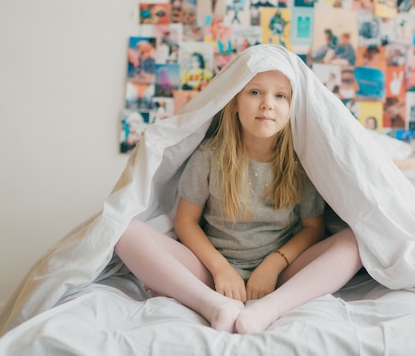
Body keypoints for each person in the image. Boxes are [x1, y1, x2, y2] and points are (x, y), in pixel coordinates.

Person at [114, 68, 362, 334]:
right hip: (211, 272)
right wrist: (221, 269)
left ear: (292, 107)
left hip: (281, 275)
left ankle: (270, 308)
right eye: (255, 92)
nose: (267, 103)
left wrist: (274, 264)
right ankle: (213, 305)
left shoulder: (301, 164)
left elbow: (313, 228)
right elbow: (186, 222)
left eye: (280, 96)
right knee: (122, 230)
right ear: (234, 102)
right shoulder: (208, 156)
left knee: (357, 241)